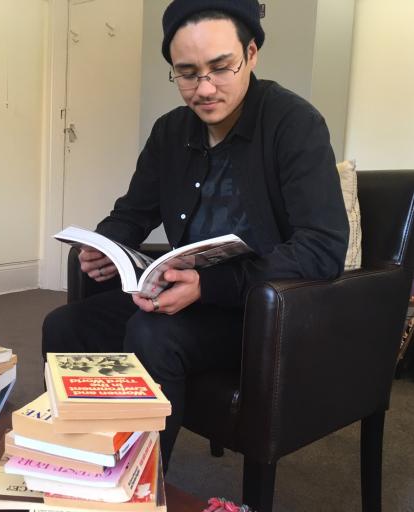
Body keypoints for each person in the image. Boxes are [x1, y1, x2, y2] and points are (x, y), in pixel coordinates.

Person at [42, 0, 349, 471]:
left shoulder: (294, 123)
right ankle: (79, 465)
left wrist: (212, 284)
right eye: (187, 73)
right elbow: (133, 212)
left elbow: (323, 247)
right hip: (181, 292)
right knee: (63, 326)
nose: (204, 88)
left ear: (251, 52)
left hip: (261, 312)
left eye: (221, 68)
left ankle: (136, 486)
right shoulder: (170, 132)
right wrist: (104, 244)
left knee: (153, 334)